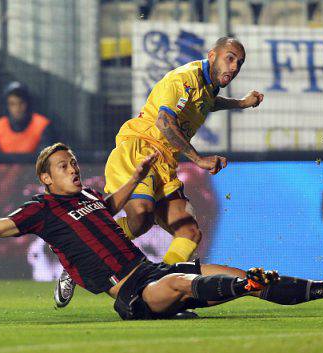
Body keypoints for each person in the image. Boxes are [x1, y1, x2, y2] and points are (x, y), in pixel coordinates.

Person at [0, 143, 323, 320]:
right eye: (63, 166)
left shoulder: (88, 200)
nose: (72, 169)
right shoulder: (41, 209)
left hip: (146, 269)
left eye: (72, 163)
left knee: (229, 270)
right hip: (133, 292)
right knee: (184, 282)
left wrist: (139, 172)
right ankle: (243, 286)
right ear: (47, 178)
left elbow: (107, 207)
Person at [56, 36, 264, 308]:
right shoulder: (184, 79)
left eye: (240, 62)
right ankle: (78, 253)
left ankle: (158, 289)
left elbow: (208, 103)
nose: (235, 66)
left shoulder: (207, 85)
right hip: (141, 148)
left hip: (165, 163)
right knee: (141, 216)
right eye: (230, 58)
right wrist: (198, 159)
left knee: (189, 232)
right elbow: (165, 123)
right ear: (212, 55)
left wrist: (241, 103)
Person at [0, 81, 57, 154]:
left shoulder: (42, 126)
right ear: (7, 106)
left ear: (28, 104)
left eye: (21, 103)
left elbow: (44, 160)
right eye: (12, 104)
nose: (17, 108)